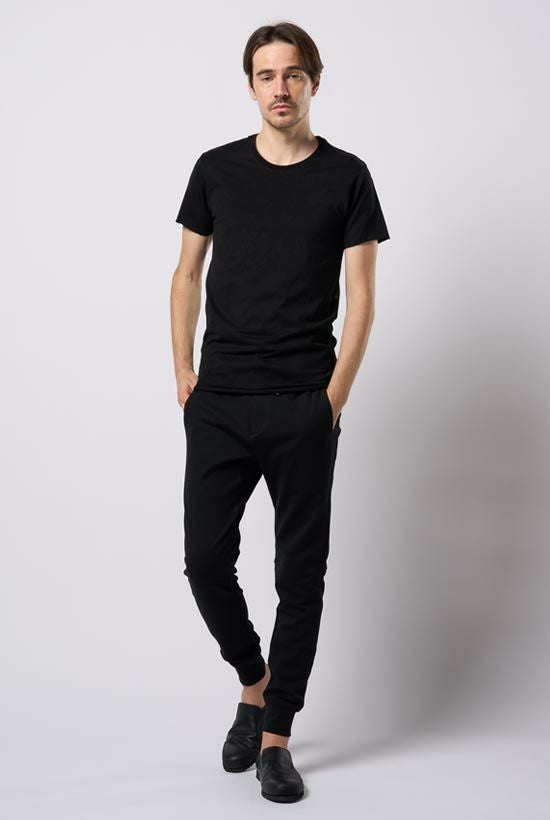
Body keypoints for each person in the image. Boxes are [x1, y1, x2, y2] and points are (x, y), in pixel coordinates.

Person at [171, 21, 390, 803]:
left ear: (314, 82)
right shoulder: (216, 170)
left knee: (300, 573)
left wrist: (331, 401)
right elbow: (186, 274)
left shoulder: (348, 177)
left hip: (303, 401)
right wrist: (184, 372)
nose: (280, 88)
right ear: (251, 87)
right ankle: (254, 682)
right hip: (221, 400)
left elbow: (362, 299)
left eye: (293, 74)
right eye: (266, 75)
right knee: (205, 561)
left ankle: (276, 736)